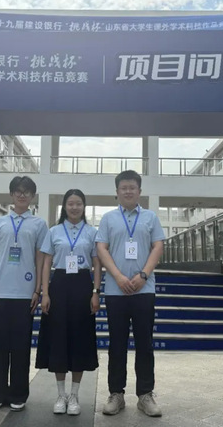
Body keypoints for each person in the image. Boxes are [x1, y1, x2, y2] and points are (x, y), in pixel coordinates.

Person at [96, 170, 165, 417]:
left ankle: (145, 395)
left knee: (145, 343)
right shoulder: (108, 219)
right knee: (117, 343)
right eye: (123, 187)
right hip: (116, 291)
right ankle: (116, 394)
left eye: (132, 187)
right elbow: (101, 248)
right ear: (117, 192)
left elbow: (158, 246)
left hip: (144, 289)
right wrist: (118, 276)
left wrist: (143, 275)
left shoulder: (150, 218)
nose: (128, 191)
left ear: (139, 191)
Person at [0, 176, 48, 412]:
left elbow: (40, 258)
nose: (22, 195)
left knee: (21, 346)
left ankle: (18, 393)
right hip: (0, 291)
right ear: (11, 194)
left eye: (26, 192)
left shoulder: (39, 224)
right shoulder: (0, 222)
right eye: (18, 191)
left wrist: (38, 289)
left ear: (32, 196)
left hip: (25, 293)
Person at [35, 189, 101, 416]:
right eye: (71, 203)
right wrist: (45, 293)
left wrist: (95, 292)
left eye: (79, 203)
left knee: (80, 338)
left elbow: (97, 264)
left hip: (82, 285)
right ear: (65, 206)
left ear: (84, 206)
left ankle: (74, 395)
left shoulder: (92, 232)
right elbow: (46, 263)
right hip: (59, 285)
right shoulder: (54, 231)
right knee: (59, 338)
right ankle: (60, 394)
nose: (74, 207)